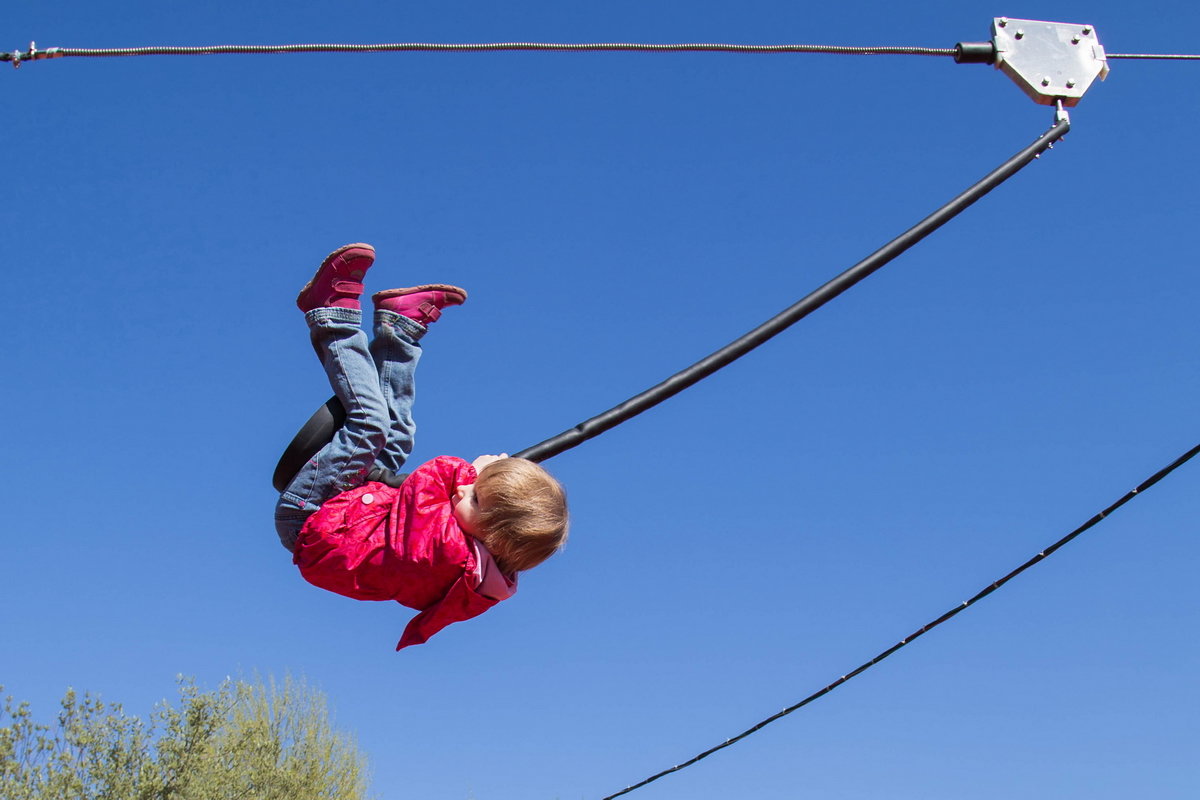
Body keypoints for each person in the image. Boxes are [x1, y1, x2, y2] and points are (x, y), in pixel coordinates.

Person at [274, 243, 569, 650]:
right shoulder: (480, 564)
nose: (465, 490)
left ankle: (330, 314)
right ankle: (399, 328)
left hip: (312, 520)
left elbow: (433, 477)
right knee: (397, 436)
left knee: (370, 425)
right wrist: (492, 484)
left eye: (477, 501)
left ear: (494, 540)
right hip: (362, 514)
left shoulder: (444, 552)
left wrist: (478, 470)